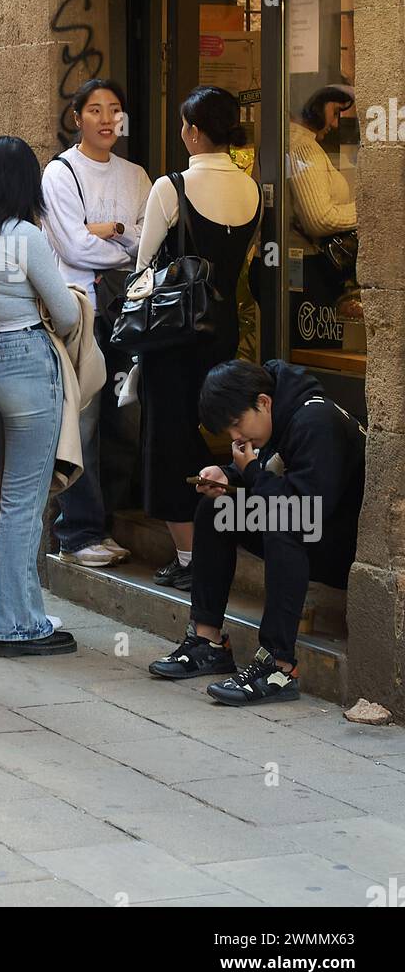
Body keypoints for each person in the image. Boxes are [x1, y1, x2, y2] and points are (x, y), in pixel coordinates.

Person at [149, 358, 365, 706]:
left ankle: (278, 666)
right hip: (311, 525)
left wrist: (247, 472)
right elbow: (274, 472)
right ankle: (208, 642)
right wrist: (228, 474)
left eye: (237, 425)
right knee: (216, 508)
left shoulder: (316, 422)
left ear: (263, 402)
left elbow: (300, 510)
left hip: (345, 549)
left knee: (282, 521)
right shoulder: (279, 412)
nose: (236, 438)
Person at [0, 136, 80, 657]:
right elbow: (67, 314)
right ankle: (17, 624)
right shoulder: (24, 235)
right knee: (23, 503)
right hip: (24, 364)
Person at [137, 86, 261, 591]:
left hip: (173, 333)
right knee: (214, 432)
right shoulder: (252, 189)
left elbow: (143, 270)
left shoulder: (171, 187)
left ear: (191, 130)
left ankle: (190, 557)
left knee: (168, 438)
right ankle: (217, 547)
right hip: (224, 327)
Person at [42, 79, 151, 567]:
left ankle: (110, 519)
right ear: (76, 117)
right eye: (94, 109)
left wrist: (113, 230)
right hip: (82, 309)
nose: (107, 119)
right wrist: (119, 245)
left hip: (128, 310)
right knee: (82, 421)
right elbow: (71, 247)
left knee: (124, 417)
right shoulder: (61, 173)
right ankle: (78, 532)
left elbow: (148, 244)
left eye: (115, 109)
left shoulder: (137, 176)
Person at [289, 85, 360, 319]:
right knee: (312, 353)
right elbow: (320, 219)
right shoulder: (302, 146)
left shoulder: (299, 142)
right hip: (307, 267)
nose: (336, 123)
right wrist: (366, 213)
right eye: (336, 112)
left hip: (302, 265)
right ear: (316, 104)